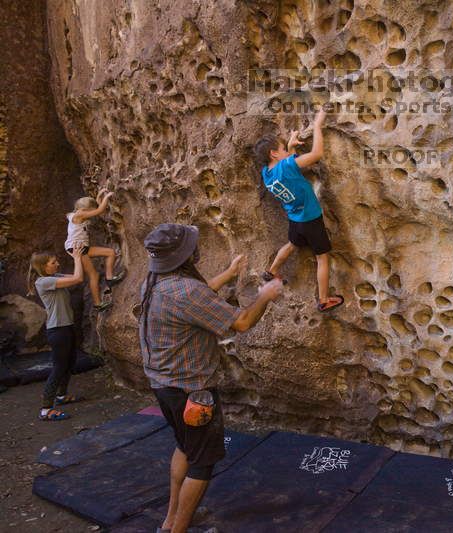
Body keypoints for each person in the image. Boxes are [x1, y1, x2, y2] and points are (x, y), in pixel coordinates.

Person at [139, 223, 283, 533]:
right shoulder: (186, 290)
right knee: (202, 463)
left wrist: (229, 275)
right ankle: (178, 529)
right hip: (192, 391)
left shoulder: (155, 282)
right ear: (183, 255)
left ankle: (170, 521)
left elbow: (196, 301)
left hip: (164, 385)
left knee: (186, 447)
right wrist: (266, 296)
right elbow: (241, 323)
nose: (196, 248)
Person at [253, 107, 345, 312]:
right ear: (274, 153)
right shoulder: (286, 166)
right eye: (282, 149)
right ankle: (323, 300)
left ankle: (271, 271)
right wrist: (318, 125)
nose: (287, 151)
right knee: (322, 257)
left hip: (295, 219)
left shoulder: (267, 173)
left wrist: (290, 146)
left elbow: (288, 170)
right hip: (311, 219)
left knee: (292, 244)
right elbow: (316, 154)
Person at [27, 247, 86, 421]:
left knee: (70, 363)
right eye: (53, 262)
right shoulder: (43, 282)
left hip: (67, 327)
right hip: (57, 330)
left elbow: (76, 277)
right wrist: (76, 257)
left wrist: (81, 258)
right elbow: (78, 277)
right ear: (44, 267)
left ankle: (61, 395)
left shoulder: (54, 277)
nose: (58, 264)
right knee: (59, 367)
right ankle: (46, 409)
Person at [65, 189, 125, 311]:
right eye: (90, 211)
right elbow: (99, 210)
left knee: (110, 253)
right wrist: (107, 197)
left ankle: (109, 278)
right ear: (85, 210)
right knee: (93, 275)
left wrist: (99, 196)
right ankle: (98, 304)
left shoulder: (80, 212)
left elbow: (95, 209)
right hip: (77, 248)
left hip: (82, 247)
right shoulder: (79, 215)